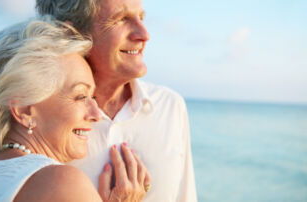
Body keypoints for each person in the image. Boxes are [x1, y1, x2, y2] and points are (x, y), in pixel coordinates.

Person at [36, 0, 197, 201]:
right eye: (121, 19)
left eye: (141, 17)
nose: (144, 35)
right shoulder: (37, 119)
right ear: (71, 33)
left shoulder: (170, 106)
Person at [0, 17, 150, 202]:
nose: (97, 115)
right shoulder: (61, 183)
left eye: (93, 98)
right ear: (23, 109)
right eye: (80, 96)